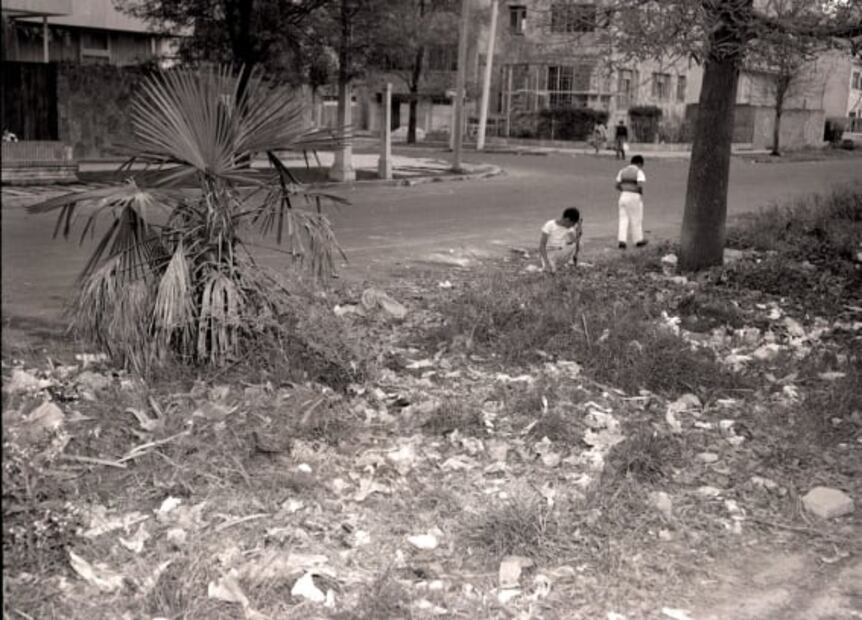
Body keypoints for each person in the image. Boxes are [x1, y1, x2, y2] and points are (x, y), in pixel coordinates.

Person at [615, 154, 647, 249]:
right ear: (640, 163)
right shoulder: (639, 172)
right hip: (634, 196)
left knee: (623, 219)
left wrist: (624, 189)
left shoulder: (622, 171)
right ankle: (638, 240)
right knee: (636, 219)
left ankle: (622, 241)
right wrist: (639, 193)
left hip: (623, 195)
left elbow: (617, 185)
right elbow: (640, 184)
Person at [539, 207, 583, 274]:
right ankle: (550, 265)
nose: (572, 226)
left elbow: (575, 240)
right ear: (567, 220)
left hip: (561, 253)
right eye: (572, 224)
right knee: (551, 271)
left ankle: (570, 262)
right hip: (550, 254)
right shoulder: (550, 225)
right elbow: (542, 245)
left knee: (578, 243)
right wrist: (546, 263)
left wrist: (579, 226)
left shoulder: (569, 229)